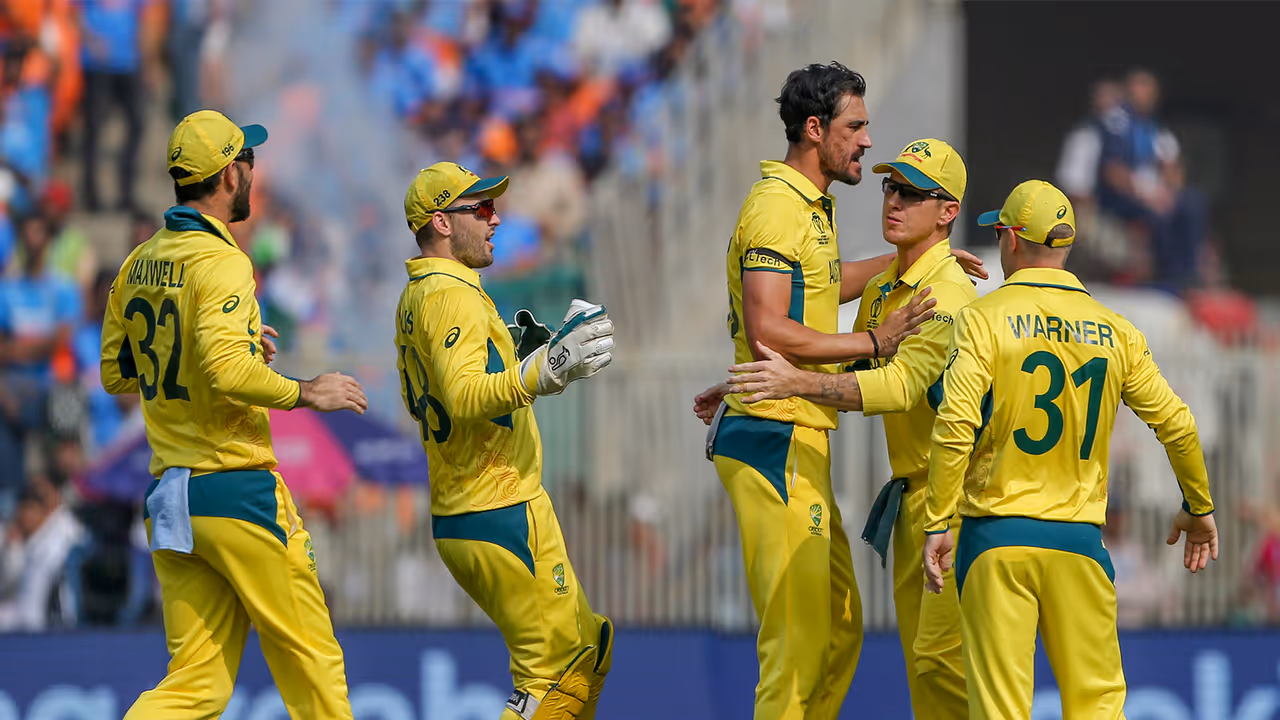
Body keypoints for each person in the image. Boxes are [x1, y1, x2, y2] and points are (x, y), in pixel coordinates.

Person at [699, 61, 948, 720]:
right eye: (856, 126)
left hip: (794, 435)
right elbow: (768, 328)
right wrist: (874, 342)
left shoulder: (807, 207)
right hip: (772, 438)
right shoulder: (779, 208)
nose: (867, 140)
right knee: (800, 641)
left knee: (838, 627)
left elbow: (817, 287)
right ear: (815, 129)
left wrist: (917, 260)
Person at [103, 110, 367, 719]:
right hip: (236, 487)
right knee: (314, 663)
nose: (252, 170)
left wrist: (230, 348)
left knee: (196, 686)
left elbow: (117, 370)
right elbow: (225, 374)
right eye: (246, 160)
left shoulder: (138, 262)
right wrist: (307, 391)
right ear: (228, 173)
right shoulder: (222, 262)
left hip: (172, 495)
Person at [921, 180, 1218, 719]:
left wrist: (937, 519)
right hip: (1080, 543)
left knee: (1001, 710)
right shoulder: (1115, 328)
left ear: (1010, 239)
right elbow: (1178, 423)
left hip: (997, 539)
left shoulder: (983, 318)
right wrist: (1199, 507)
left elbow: (955, 424)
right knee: (1098, 709)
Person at [394, 161, 615, 720]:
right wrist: (542, 371)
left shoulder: (427, 292)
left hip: (486, 504)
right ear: (442, 223)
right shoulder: (449, 294)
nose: (496, 219)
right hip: (495, 505)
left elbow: (440, 392)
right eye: (482, 210)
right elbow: (466, 397)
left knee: (588, 650)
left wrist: (530, 351)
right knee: (554, 677)